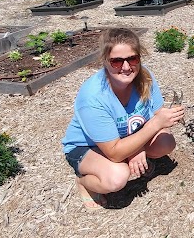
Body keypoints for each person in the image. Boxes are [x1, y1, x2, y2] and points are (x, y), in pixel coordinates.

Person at [62, 27, 185, 210]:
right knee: (117, 178)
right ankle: (84, 183)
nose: (126, 67)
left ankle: (131, 155)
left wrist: (139, 147)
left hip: (123, 137)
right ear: (105, 61)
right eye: (117, 61)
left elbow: (158, 114)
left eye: (132, 59)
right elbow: (113, 151)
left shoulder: (145, 77)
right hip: (87, 146)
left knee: (166, 142)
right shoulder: (93, 98)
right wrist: (150, 131)